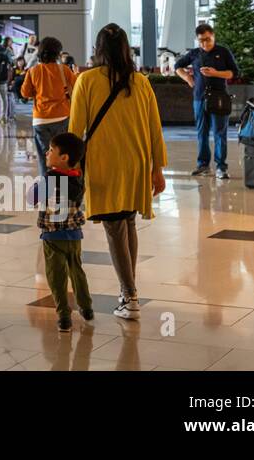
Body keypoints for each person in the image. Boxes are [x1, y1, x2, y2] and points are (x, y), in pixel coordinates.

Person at [68, 23, 167, 321]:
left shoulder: (86, 81)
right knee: (127, 222)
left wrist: (69, 166)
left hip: (104, 163)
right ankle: (129, 291)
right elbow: (154, 128)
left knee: (114, 228)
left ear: (98, 49)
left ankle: (130, 294)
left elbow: (75, 130)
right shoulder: (140, 81)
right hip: (135, 162)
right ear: (126, 48)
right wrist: (157, 168)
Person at [35, 131, 92, 332]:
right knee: (77, 271)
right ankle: (86, 308)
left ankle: (64, 316)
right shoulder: (78, 178)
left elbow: (31, 198)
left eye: (51, 150)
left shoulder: (49, 179)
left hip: (52, 235)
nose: (46, 153)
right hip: (74, 235)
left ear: (63, 158)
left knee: (56, 276)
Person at [175, 22, 242, 180]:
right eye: (201, 40)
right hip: (199, 98)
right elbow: (178, 65)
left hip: (219, 98)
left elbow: (234, 73)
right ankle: (203, 165)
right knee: (202, 133)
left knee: (220, 133)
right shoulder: (194, 54)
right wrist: (188, 78)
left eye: (207, 39)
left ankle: (221, 167)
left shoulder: (223, 52)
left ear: (213, 36)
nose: (205, 43)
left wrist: (216, 73)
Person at [20, 36, 77, 176]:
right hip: (62, 117)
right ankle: (61, 189)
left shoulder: (33, 71)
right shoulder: (64, 70)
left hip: (41, 120)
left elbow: (25, 93)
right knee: (62, 155)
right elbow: (77, 88)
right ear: (57, 53)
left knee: (45, 156)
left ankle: (46, 189)